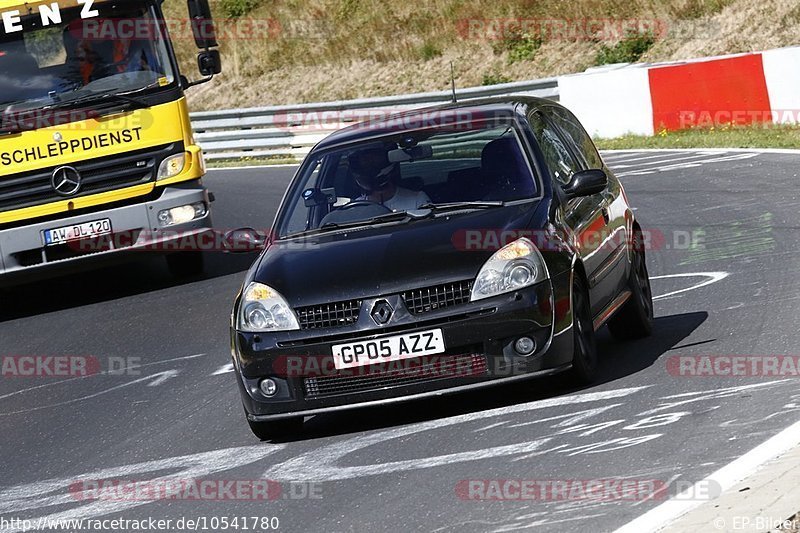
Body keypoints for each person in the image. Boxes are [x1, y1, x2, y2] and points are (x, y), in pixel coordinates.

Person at [349, 146, 430, 212]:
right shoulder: (356, 208)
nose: (369, 164)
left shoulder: (417, 199)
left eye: (373, 160)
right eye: (365, 162)